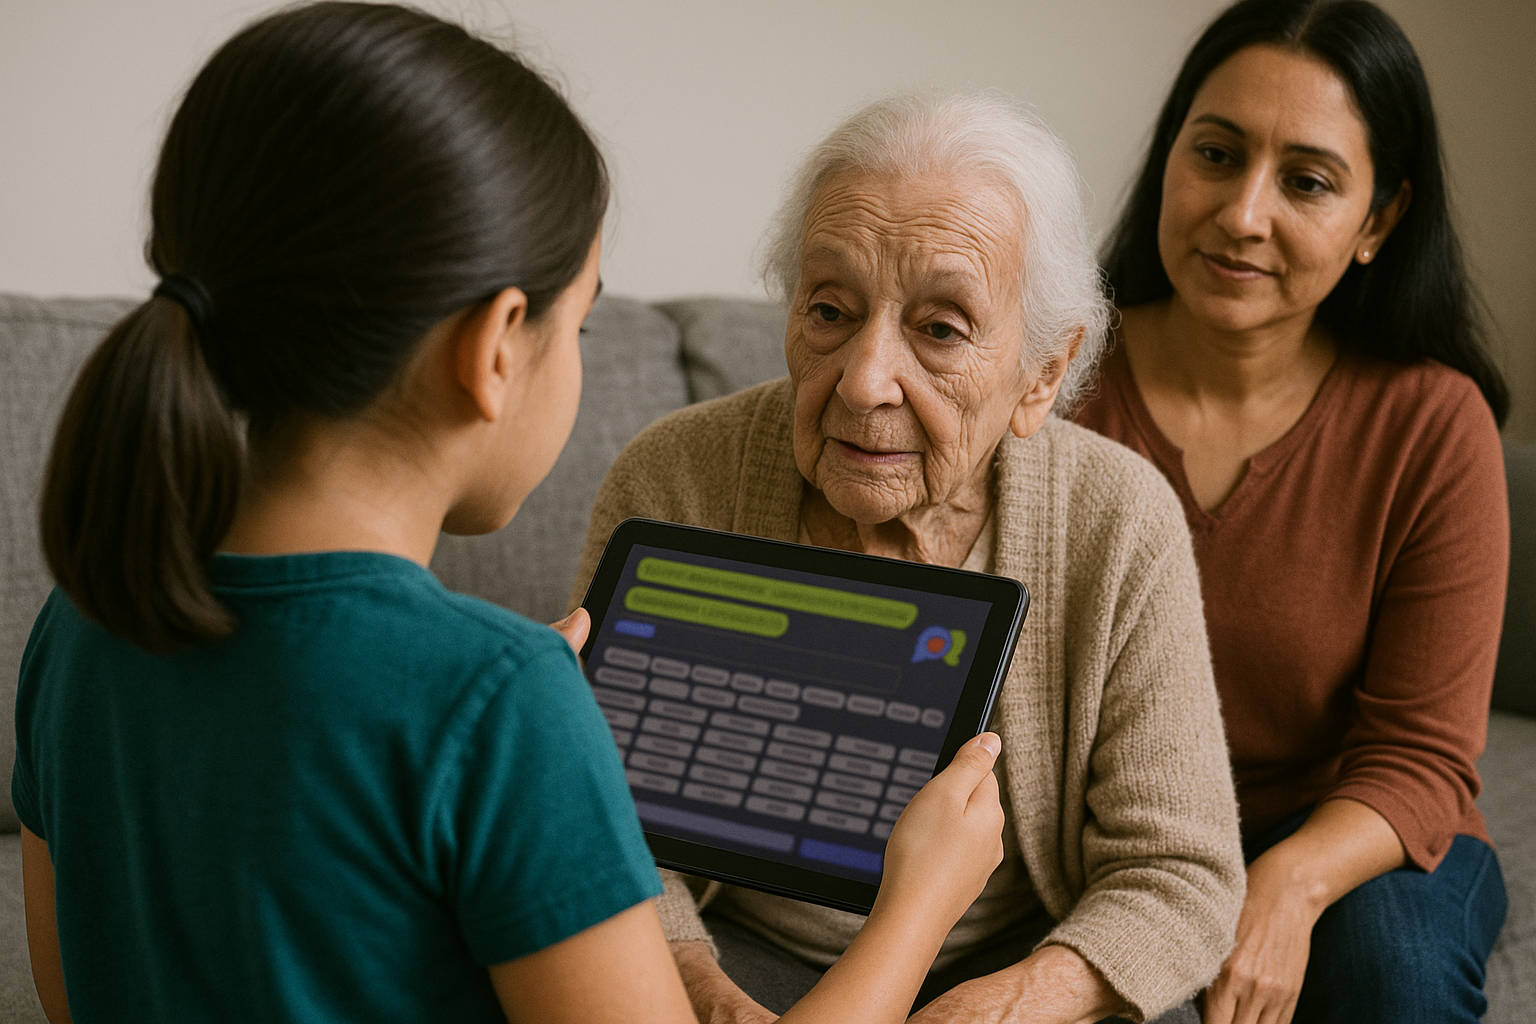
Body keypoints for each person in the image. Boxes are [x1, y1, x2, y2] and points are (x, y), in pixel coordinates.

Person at [15, 6, 1010, 1022]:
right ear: (494, 349)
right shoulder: (501, 702)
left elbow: (69, 997)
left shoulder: (82, 621)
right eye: (578, 319)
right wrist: (916, 906)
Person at [571, 92, 1247, 1024]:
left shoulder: (1118, 520)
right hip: (741, 952)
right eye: (830, 310)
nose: (863, 378)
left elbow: (1181, 873)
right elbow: (592, 813)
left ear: (1043, 373)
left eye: (940, 329)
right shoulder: (674, 482)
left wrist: (1012, 1004)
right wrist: (700, 991)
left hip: (1016, 959)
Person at [1073, 2, 1510, 1022]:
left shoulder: (1433, 424)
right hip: (1109, 825)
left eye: (1307, 181)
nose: (1242, 213)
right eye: (1216, 154)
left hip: (1354, 823)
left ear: (1379, 221)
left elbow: (1424, 753)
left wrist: (1289, 882)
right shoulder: (1056, 375)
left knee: (1392, 978)